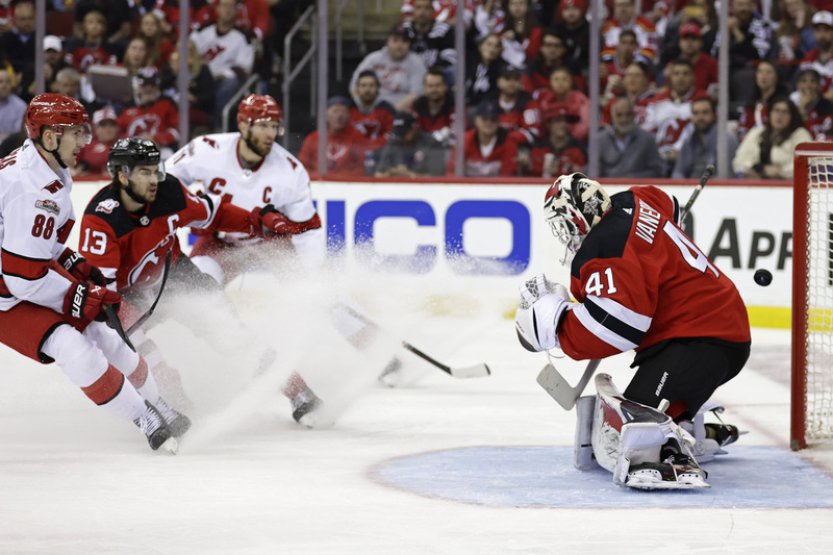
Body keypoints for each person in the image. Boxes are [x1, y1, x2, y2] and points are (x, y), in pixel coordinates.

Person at [513, 172, 750, 489]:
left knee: (635, 431)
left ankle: (675, 454)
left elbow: (618, 329)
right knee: (639, 411)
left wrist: (559, 327)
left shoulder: (604, 249)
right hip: (712, 327)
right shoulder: (637, 198)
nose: (564, 234)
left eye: (564, 224)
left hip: (702, 339)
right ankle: (696, 430)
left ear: (577, 218)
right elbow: (671, 207)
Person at [78, 136, 320, 423]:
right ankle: (176, 409)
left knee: (233, 334)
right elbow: (105, 297)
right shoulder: (102, 220)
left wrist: (257, 221)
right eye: (145, 172)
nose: (154, 178)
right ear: (122, 175)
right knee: (146, 359)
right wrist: (134, 343)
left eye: (155, 169)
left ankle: (298, 392)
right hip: (127, 298)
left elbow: (215, 213)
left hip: (175, 276)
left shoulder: (169, 192)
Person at [0, 93, 187, 452]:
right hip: (6, 294)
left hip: (19, 273)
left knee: (107, 336)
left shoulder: (44, 166)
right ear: (50, 137)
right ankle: (143, 418)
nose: (85, 141)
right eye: (76, 133)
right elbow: (23, 278)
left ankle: (159, 404)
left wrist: (74, 264)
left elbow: (37, 246)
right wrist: (77, 296)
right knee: (74, 348)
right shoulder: (32, 190)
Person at [349, 26, 427, 111]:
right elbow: (354, 86)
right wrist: (363, 107)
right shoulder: (373, 59)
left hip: (402, 113)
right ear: (387, 42)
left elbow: (417, 93)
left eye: (404, 41)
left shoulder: (416, 62)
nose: (399, 45)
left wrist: (391, 112)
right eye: (395, 40)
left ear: (409, 44)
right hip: (371, 110)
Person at [733, 96, 813, 178]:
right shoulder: (756, 132)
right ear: (769, 114)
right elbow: (739, 160)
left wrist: (780, 172)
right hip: (755, 183)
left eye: (785, 112)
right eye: (776, 110)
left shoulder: (800, 134)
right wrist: (756, 169)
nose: (779, 116)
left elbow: (807, 163)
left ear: (792, 116)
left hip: (788, 185)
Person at [298, 96, 367, 177]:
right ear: (326, 115)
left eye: (343, 111)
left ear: (348, 116)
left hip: (346, 186)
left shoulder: (356, 138)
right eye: (335, 111)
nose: (340, 115)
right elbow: (303, 166)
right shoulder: (313, 138)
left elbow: (360, 169)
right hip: (318, 185)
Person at [446, 99, 518, 177]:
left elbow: (508, 175)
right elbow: (452, 171)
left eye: (493, 120)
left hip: (498, 188)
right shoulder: (465, 140)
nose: (488, 123)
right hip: (468, 187)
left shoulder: (508, 142)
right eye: (484, 119)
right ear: (476, 121)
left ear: (498, 122)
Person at [672, 95, 738, 179]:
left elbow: (727, 175)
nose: (700, 117)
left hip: (715, 189)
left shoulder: (726, 140)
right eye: (696, 113)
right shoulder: (688, 142)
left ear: (714, 115)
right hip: (690, 189)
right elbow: (678, 172)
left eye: (705, 112)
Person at [598, 97, 664, 178]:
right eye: (619, 115)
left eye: (628, 114)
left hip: (637, 188)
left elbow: (658, 170)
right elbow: (593, 170)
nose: (624, 119)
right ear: (613, 116)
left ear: (634, 116)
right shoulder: (600, 140)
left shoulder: (647, 139)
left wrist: (632, 178)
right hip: (607, 188)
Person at [374, 111, 448, 177]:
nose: (400, 137)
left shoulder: (431, 143)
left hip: (424, 190)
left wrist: (410, 175)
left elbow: (438, 177)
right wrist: (390, 173)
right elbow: (378, 173)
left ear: (414, 129)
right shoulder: (393, 143)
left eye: (404, 133)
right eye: (398, 134)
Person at [349, 70, 395, 150]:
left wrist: (371, 146)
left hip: (380, 153)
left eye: (371, 85)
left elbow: (391, 134)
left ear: (377, 88)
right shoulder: (348, 108)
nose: (367, 89)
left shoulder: (387, 109)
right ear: (357, 89)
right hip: (353, 153)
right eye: (363, 85)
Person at [0, 69, 27, 141]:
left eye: (7, 82)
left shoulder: (20, 106)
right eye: (1, 82)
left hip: (9, 147)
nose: (4, 86)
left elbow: (17, 134)